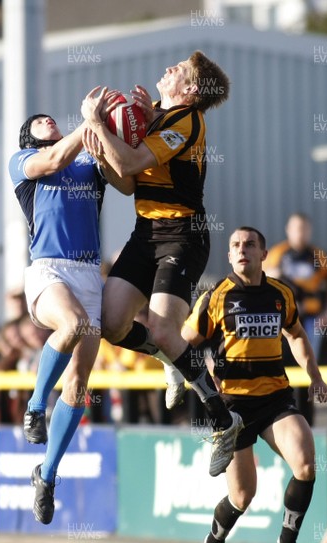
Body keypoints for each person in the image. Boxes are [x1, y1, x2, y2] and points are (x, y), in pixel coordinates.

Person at [81, 51, 242, 476]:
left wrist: (97, 123)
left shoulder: (186, 122)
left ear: (190, 91)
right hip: (145, 234)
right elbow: (126, 180)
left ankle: (223, 420)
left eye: (179, 71)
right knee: (111, 323)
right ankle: (172, 359)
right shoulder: (152, 114)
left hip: (184, 235)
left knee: (163, 328)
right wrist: (101, 152)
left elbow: (132, 162)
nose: (168, 69)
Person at [177, 226, 327, 543]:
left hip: (276, 398)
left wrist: (316, 377)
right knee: (243, 497)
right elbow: (183, 345)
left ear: (264, 254)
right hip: (232, 409)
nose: (242, 249)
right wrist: (205, 378)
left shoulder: (281, 293)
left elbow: (296, 335)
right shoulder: (216, 296)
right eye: (235, 245)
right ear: (229, 256)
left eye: (249, 244)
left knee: (306, 464)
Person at [8, 112, 134, 524]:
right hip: (49, 268)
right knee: (72, 324)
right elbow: (55, 160)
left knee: (79, 385)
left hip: (87, 274)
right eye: (40, 120)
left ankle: (46, 474)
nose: (49, 120)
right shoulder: (25, 160)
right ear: (30, 135)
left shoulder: (86, 154)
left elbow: (127, 184)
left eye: (51, 118)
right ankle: (34, 406)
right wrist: (92, 122)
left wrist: (111, 136)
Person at [263, 212, 327, 425]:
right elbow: (264, 280)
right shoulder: (278, 254)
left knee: (309, 366)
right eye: (296, 228)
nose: (300, 233)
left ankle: (310, 415)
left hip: (313, 320)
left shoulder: (319, 256)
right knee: (284, 369)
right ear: (288, 230)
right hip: (286, 321)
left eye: (304, 229)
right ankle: (284, 416)